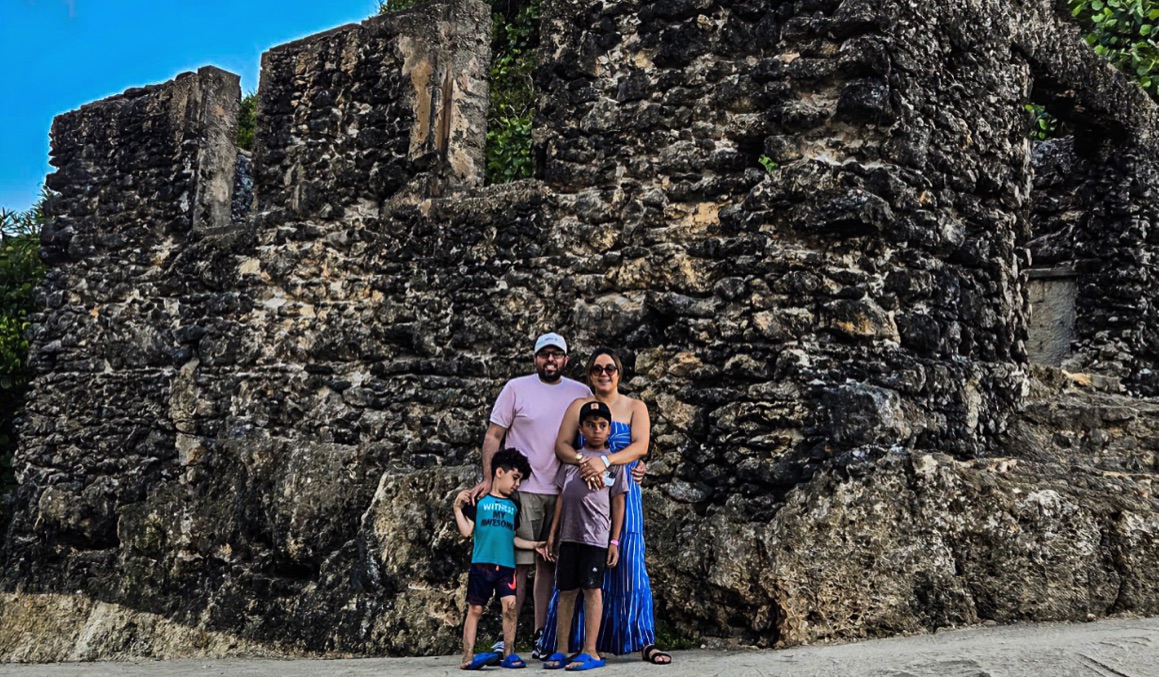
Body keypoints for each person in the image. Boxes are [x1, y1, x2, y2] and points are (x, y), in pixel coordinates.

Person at [538, 347, 672, 665]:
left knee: (628, 566)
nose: (603, 373)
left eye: (609, 368)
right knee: (578, 575)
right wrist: (587, 462)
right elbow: (562, 445)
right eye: (597, 368)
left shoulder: (635, 406)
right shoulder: (579, 406)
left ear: (619, 372)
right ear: (589, 374)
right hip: (582, 500)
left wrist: (607, 461)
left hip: (622, 495)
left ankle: (642, 640)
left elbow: (641, 445)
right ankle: (572, 643)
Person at [470, 333, 592, 657]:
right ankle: (506, 638)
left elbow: (601, 432)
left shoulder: (581, 392)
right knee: (518, 567)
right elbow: (494, 434)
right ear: (535, 358)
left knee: (549, 566)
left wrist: (636, 466)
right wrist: (487, 479)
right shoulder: (516, 388)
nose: (550, 360)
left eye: (556, 355)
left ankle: (541, 636)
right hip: (522, 491)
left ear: (566, 359)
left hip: (564, 489)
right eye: (544, 354)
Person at [542, 400, 627, 671]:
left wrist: (614, 540)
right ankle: (561, 649)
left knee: (593, 590)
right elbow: (560, 498)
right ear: (581, 428)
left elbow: (618, 503)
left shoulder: (614, 464)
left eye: (602, 425)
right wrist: (553, 535)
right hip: (569, 536)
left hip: (597, 538)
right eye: (590, 425)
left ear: (610, 429)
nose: (596, 430)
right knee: (565, 591)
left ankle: (591, 650)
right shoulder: (571, 460)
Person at [454, 448, 549, 670]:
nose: (517, 484)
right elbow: (467, 531)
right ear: (499, 472)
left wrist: (535, 545)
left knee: (511, 607)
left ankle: (509, 652)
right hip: (481, 565)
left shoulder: (514, 506)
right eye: (515, 478)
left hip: (506, 567)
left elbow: (513, 538)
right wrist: (457, 509)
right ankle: (467, 655)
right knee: (475, 609)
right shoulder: (479, 502)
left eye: (520, 480)